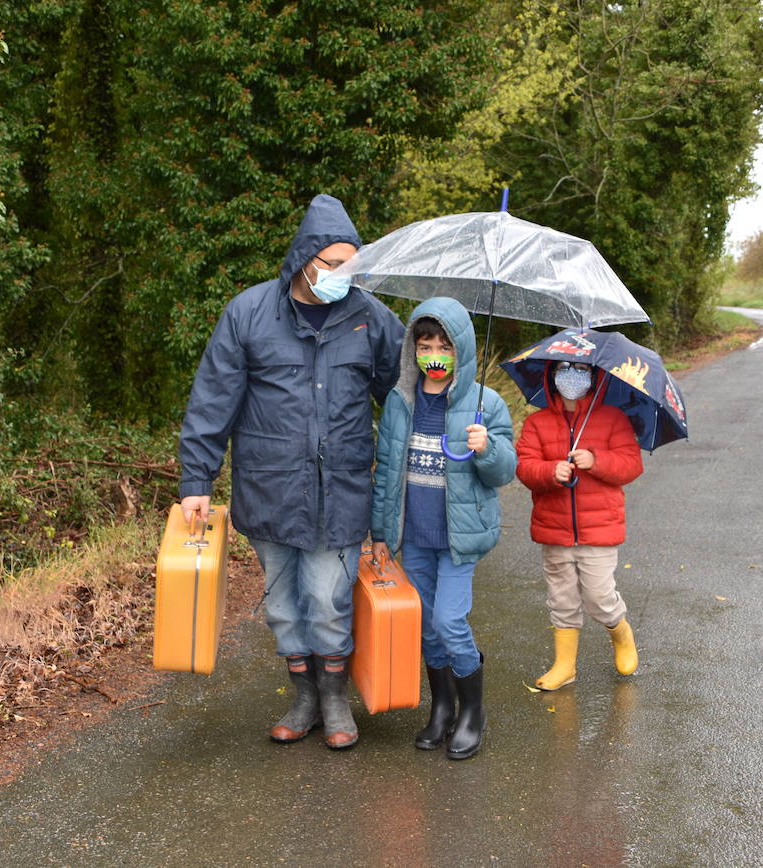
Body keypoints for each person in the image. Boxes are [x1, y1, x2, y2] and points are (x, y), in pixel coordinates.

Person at [178, 194, 405, 750]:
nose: (341, 276)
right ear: (305, 259)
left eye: (351, 265)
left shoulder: (371, 318)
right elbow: (213, 399)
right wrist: (196, 481)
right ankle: (303, 696)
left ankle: (334, 699)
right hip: (270, 485)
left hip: (344, 489)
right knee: (283, 606)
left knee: (329, 599)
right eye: (332, 264)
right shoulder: (249, 313)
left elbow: (401, 395)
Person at [369, 297, 516, 760]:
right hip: (413, 535)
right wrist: (379, 534)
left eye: (445, 347)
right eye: (425, 345)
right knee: (427, 630)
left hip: (458, 537)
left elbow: (504, 472)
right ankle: (443, 708)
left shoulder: (483, 403)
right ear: (413, 349)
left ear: (462, 350)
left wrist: (486, 448)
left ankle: (473, 711)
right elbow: (388, 471)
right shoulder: (400, 399)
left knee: (449, 622)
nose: (435, 355)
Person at [515, 359, 643, 691]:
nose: (572, 375)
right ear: (551, 375)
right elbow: (525, 466)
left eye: (581, 369)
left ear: (594, 376)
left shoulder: (613, 419)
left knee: (599, 596)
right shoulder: (537, 423)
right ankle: (565, 665)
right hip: (554, 529)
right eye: (564, 368)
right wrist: (549, 472)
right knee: (562, 598)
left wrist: (596, 461)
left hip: (599, 529)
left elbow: (631, 465)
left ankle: (621, 632)